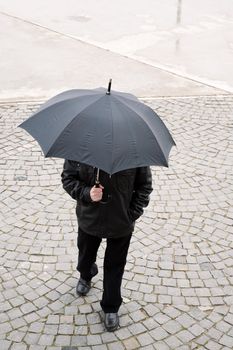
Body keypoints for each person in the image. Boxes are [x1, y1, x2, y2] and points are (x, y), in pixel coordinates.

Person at [61, 160, 153, 331]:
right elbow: (68, 179)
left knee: (115, 265)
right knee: (86, 254)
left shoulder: (134, 154)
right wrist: (87, 193)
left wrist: (131, 214)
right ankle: (86, 274)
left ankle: (111, 306)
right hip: (89, 218)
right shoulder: (81, 147)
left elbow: (144, 187)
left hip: (120, 221)